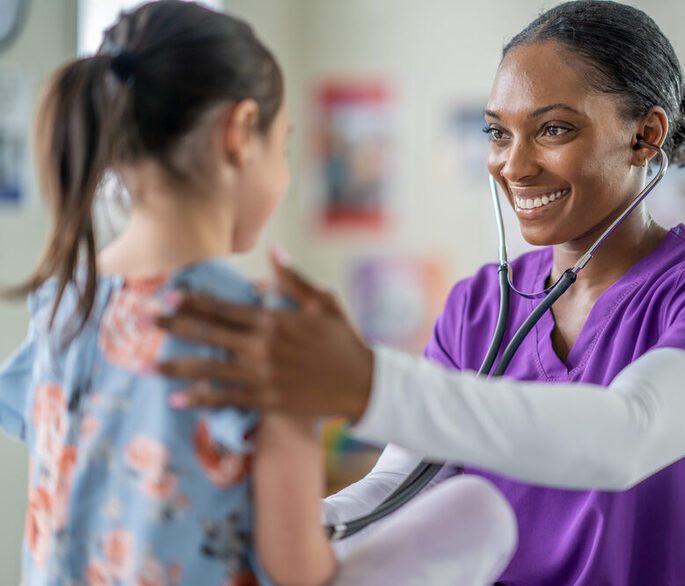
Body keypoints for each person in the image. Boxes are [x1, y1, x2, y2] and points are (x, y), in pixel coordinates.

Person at [156, 2, 685, 585]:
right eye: (497, 132)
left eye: (553, 130)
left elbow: (628, 436)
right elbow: (404, 484)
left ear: (646, 135)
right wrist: (275, 527)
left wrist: (367, 384)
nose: (513, 165)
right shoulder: (481, 305)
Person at [0, 2, 515, 585]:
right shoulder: (265, 330)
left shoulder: (65, 303)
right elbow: (297, 572)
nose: (285, 173)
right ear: (241, 133)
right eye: (285, 147)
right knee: (480, 511)